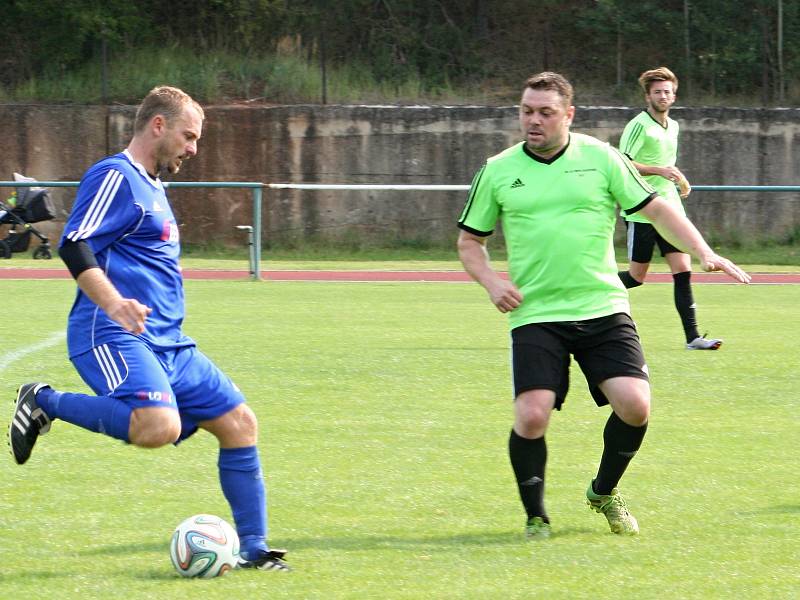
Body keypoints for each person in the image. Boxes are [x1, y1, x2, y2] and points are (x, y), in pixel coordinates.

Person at [7, 86, 290, 572]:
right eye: (189, 136)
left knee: (240, 424)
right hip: (110, 334)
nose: (193, 148)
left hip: (170, 345)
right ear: (158, 126)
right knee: (158, 427)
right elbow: (75, 245)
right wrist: (114, 303)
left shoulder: (153, 186)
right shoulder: (114, 175)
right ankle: (42, 400)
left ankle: (255, 550)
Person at [456, 72, 749, 539]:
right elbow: (470, 242)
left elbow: (657, 209)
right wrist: (492, 283)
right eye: (527, 111)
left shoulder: (601, 158)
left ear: (568, 115)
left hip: (602, 306)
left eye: (545, 112)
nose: (534, 120)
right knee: (532, 414)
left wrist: (704, 251)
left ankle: (603, 492)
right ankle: (536, 516)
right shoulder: (497, 169)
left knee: (635, 406)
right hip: (537, 312)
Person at [617, 67, 720, 350]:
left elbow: (668, 165)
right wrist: (658, 171)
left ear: (674, 96)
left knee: (683, 270)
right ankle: (591, 289)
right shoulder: (639, 125)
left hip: (669, 210)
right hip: (641, 210)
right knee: (637, 277)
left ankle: (693, 338)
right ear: (647, 95)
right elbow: (621, 162)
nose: (663, 96)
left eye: (667, 92)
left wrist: (680, 180)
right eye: (657, 92)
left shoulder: (673, 126)